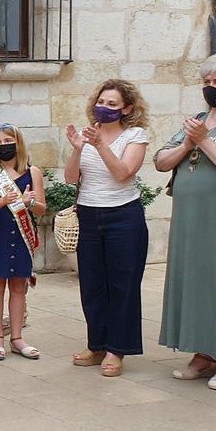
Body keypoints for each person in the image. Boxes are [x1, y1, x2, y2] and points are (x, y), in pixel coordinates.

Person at [64, 80, 151, 377]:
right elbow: (70, 177)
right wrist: (77, 149)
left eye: (112, 104)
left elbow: (123, 173)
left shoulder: (135, 135)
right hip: (89, 215)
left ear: (127, 108)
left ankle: (117, 350)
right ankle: (97, 344)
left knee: (122, 286)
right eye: (102, 101)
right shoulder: (89, 134)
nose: (105, 107)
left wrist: (100, 145)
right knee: (92, 284)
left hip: (123, 217)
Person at [156, 53, 216, 388]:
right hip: (191, 222)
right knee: (198, 284)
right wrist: (188, 142)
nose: (211, 89)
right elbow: (161, 161)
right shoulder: (196, 120)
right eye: (207, 83)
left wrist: (203, 142)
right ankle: (203, 355)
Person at [0, 124, 45, 361]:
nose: (4, 146)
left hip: (22, 235)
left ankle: (16, 338)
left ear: (18, 142)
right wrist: (5, 200)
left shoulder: (33, 172)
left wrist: (29, 203)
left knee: (18, 287)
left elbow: (42, 209)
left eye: (8, 141)